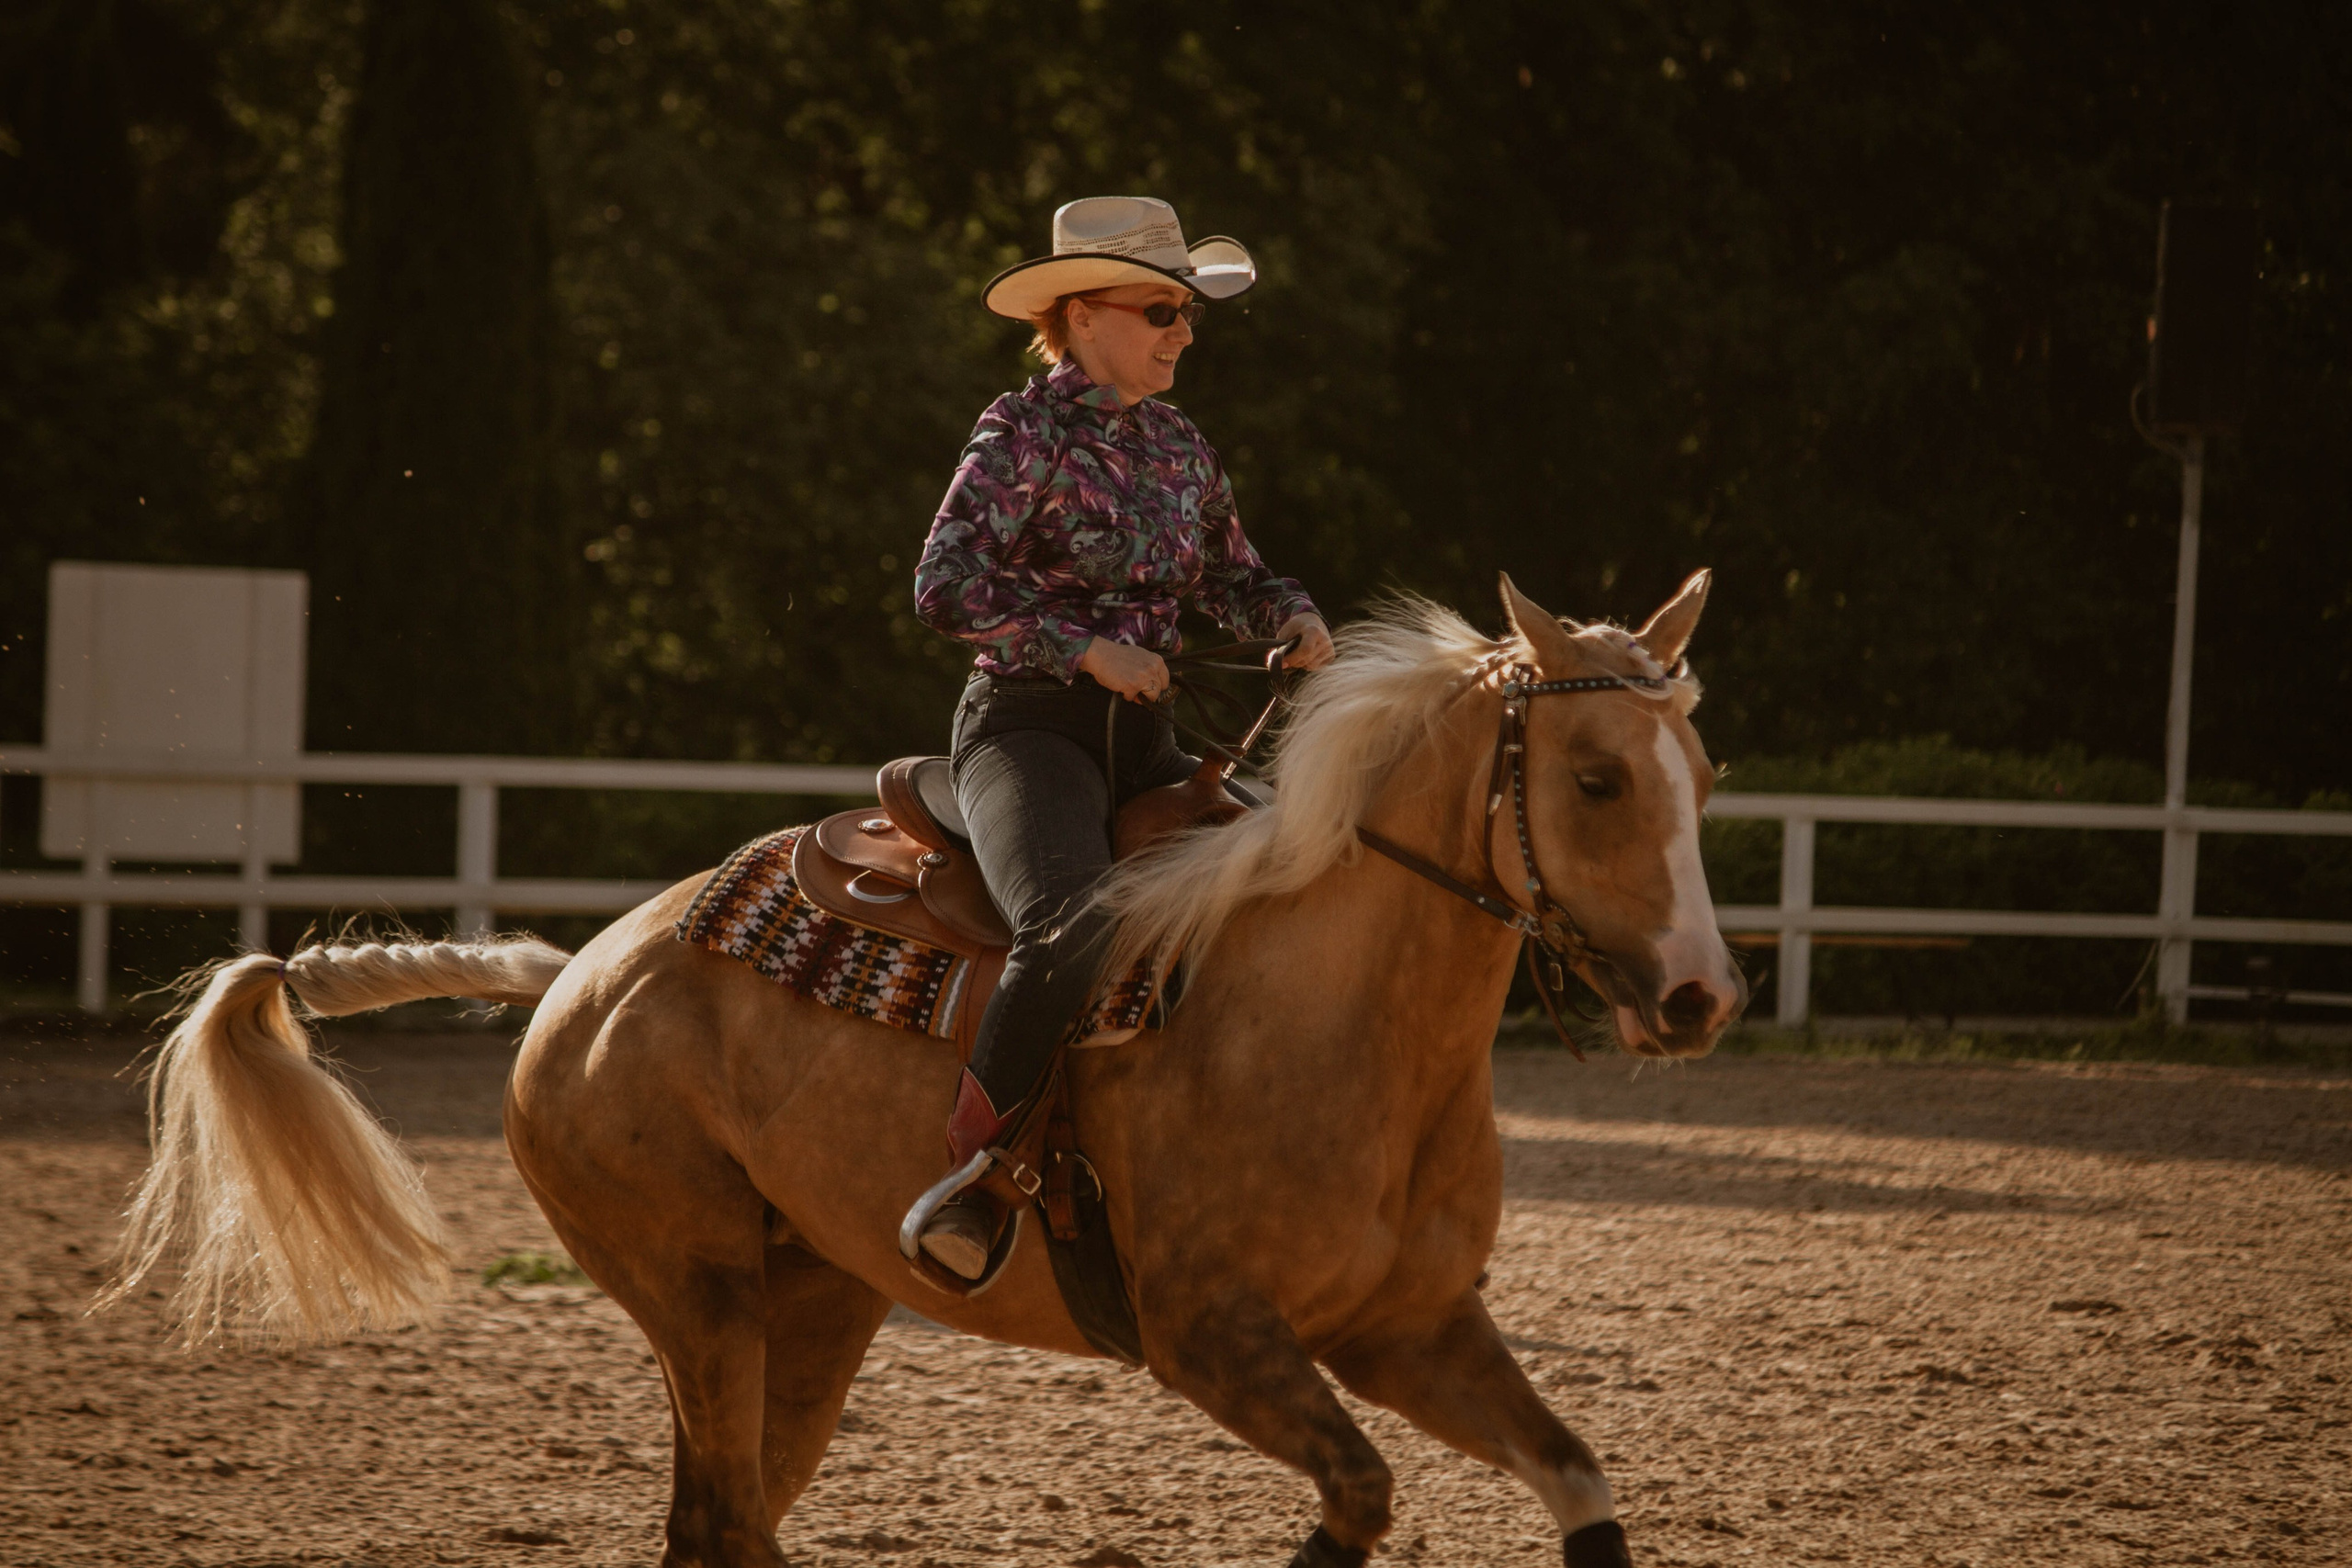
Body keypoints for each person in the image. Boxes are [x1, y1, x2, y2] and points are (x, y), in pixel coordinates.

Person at [904, 196, 1334, 1279]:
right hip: (1026, 727)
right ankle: (974, 1176)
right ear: (1081, 315)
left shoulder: (1182, 446)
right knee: (1067, 922)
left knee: (1302, 892)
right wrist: (1087, 651)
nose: (1183, 331)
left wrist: (1290, 615)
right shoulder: (1019, 433)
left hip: (1145, 739)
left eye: (1188, 314)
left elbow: (1235, 573)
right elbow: (943, 586)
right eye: (1161, 310)